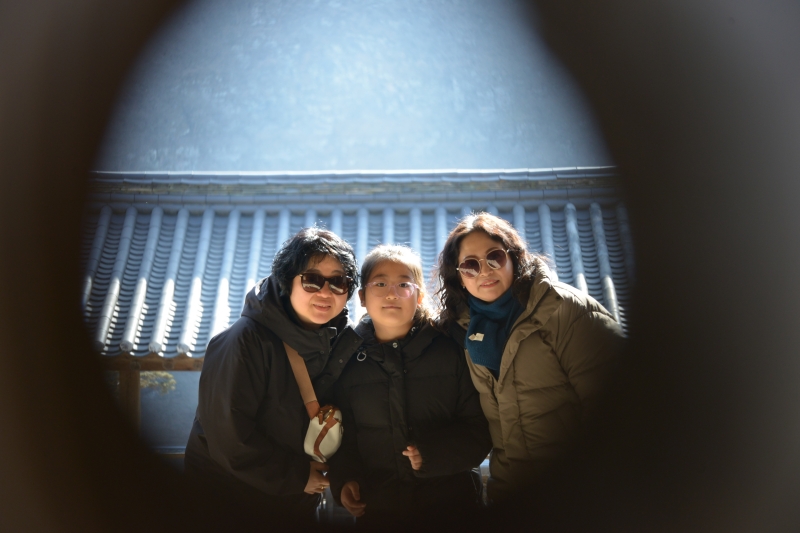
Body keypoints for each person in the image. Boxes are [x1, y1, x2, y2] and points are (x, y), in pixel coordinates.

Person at [435, 212, 625, 505]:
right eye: (470, 265)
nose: (484, 271)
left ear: (514, 258)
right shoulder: (460, 329)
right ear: (458, 277)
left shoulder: (565, 310)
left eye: (495, 257)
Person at [184, 227, 363, 523]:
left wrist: (343, 478)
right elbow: (228, 439)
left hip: (294, 503)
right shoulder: (244, 340)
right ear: (287, 281)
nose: (325, 292)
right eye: (312, 280)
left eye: (338, 282)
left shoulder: (343, 342)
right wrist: (297, 476)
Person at [329, 245, 492, 527]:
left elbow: (480, 427)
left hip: (452, 509)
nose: (392, 293)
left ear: (420, 296)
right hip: (379, 512)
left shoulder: (451, 350)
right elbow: (344, 437)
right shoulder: (348, 359)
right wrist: (345, 480)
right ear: (362, 297)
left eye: (404, 284)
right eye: (380, 284)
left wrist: (433, 454)